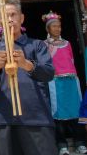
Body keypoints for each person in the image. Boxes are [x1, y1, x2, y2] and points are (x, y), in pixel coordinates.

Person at [0, 0, 57, 155]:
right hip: (6, 119)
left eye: (13, 14)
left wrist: (25, 63)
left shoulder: (36, 45)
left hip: (37, 117)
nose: (10, 19)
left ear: (21, 18)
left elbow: (48, 73)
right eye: (5, 16)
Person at [42, 11, 86, 155]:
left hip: (71, 82)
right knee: (58, 113)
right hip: (55, 82)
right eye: (54, 26)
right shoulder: (44, 45)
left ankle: (80, 142)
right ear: (48, 29)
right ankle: (62, 145)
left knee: (76, 111)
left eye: (59, 26)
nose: (57, 29)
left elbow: (72, 61)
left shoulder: (67, 43)